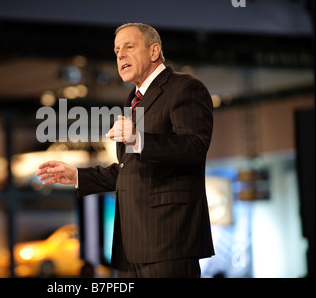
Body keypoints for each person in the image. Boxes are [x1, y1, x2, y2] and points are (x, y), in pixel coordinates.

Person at [36, 23, 214, 278]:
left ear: (154, 52)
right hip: (131, 246)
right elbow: (129, 169)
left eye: (129, 47)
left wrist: (139, 139)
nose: (120, 55)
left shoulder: (184, 87)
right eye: (117, 50)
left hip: (169, 240)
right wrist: (78, 175)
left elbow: (194, 147)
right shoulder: (133, 99)